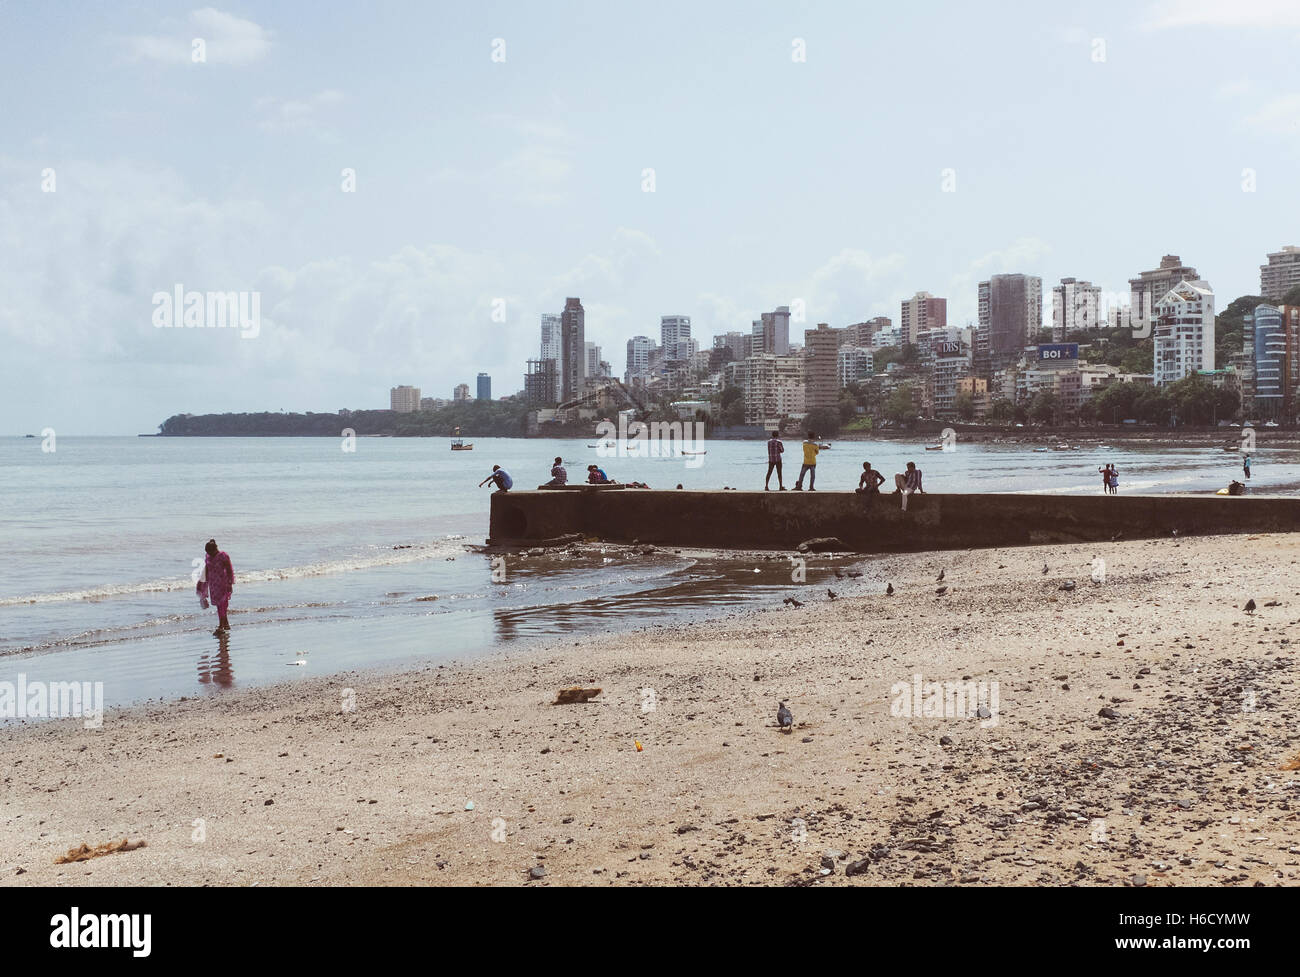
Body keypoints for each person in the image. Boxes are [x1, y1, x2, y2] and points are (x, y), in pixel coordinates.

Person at [196, 538, 235, 635]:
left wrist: (230, 583)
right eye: (208, 552)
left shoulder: (223, 556)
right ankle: (225, 624)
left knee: (223, 605)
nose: (210, 554)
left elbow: (229, 570)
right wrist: (201, 583)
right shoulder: (208, 557)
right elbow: (206, 570)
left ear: (215, 549)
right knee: (219, 605)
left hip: (223, 583)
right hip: (213, 585)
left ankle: (221, 626)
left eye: (211, 552)